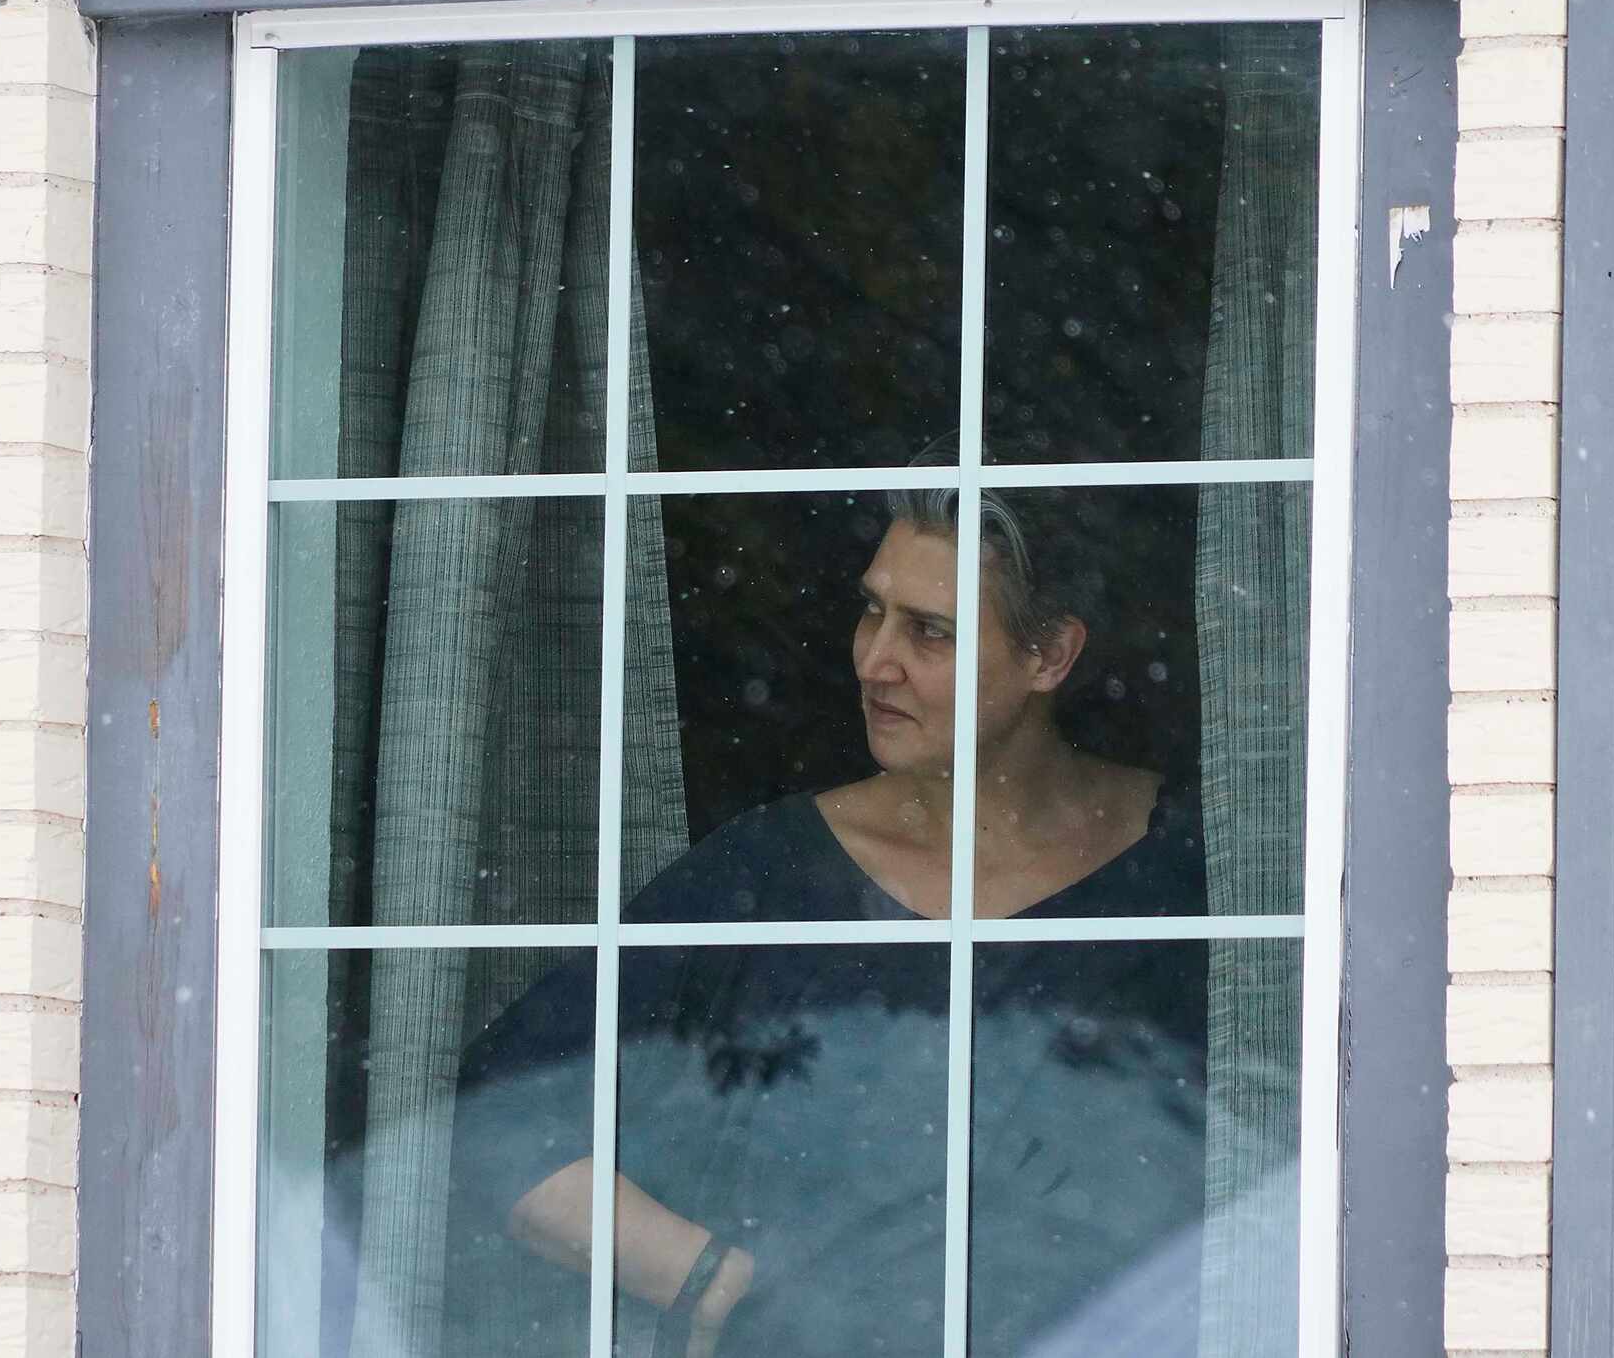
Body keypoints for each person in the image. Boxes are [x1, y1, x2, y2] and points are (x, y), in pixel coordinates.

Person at [450, 485, 1209, 1357]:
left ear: (1051, 655)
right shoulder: (769, 871)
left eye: (929, 630)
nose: (874, 661)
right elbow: (499, 1124)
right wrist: (739, 1294)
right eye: (870, 612)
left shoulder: (1195, 874)